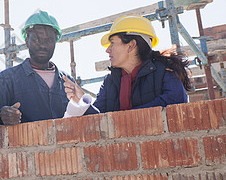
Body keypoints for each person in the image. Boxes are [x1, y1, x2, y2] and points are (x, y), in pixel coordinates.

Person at [63, 15, 191, 117]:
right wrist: (82, 101)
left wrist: (122, 119)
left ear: (131, 45)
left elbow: (175, 103)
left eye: (112, 43)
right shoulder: (110, 82)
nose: (108, 50)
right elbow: (99, 119)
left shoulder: (165, 71)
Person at [0, 10, 72, 129]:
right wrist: (0, 117)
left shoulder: (67, 81)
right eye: (36, 39)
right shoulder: (7, 79)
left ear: (55, 42)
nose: (42, 45)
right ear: (27, 41)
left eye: (48, 40)